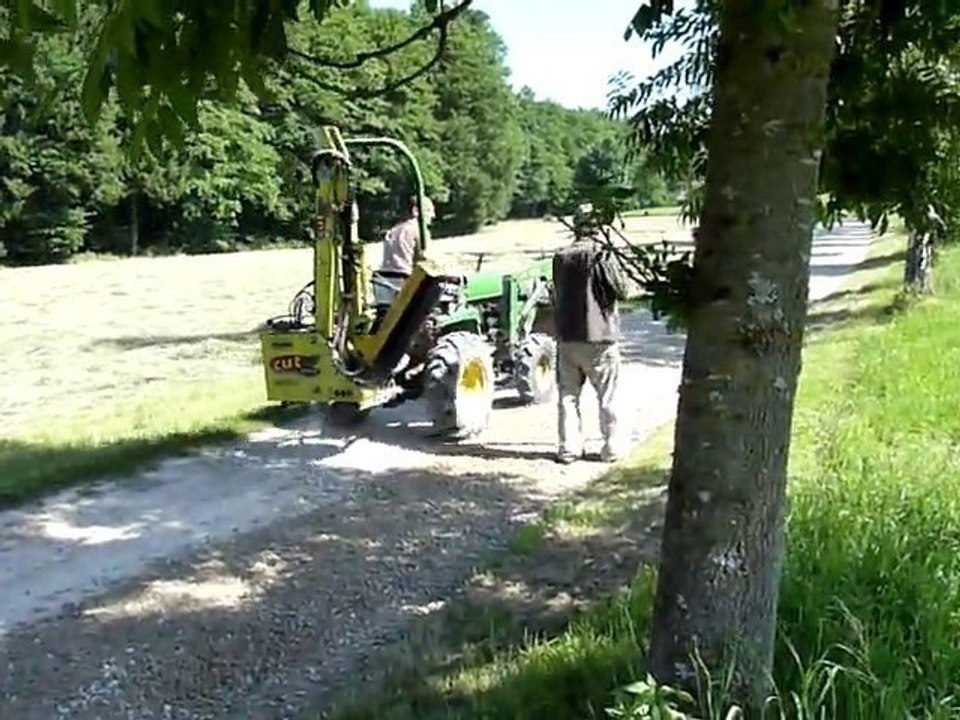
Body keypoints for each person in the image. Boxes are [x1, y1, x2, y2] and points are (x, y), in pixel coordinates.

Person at [550, 203, 630, 464]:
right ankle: (612, 447)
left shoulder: (560, 256)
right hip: (599, 335)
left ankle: (568, 448)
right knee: (608, 394)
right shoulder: (601, 255)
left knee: (567, 396)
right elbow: (621, 289)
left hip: (567, 335)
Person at [371, 195, 436, 307]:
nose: (433, 216)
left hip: (383, 280)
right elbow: (425, 260)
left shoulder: (394, 230)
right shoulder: (419, 230)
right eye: (429, 211)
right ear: (416, 211)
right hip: (402, 281)